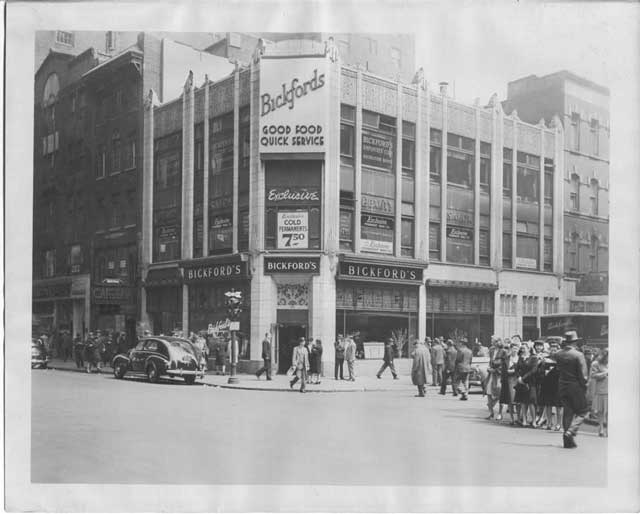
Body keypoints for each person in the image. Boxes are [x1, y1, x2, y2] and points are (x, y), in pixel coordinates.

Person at [554, 330, 589, 448]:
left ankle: (567, 440)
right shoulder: (578, 355)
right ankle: (570, 432)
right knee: (583, 411)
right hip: (575, 386)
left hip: (562, 385)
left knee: (568, 412)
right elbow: (584, 376)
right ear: (575, 342)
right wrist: (585, 388)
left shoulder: (558, 354)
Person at [539, 339, 562, 431]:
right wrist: (544, 371)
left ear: (558, 350)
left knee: (558, 405)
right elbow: (540, 371)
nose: (553, 351)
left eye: (555, 349)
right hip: (547, 384)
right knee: (548, 404)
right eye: (551, 349)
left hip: (557, 385)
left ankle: (558, 424)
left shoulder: (561, 360)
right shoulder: (545, 359)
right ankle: (549, 422)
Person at [499, 340, 519, 424]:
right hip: (508, 380)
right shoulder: (506, 358)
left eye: (516, 348)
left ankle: (519, 417)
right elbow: (503, 370)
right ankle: (512, 418)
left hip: (518, 380)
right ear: (510, 349)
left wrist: (515, 371)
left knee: (518, 401)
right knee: (510, 400)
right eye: (513, 348)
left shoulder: (520, 358)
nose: (515, 350)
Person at [590, 349, 608, 437]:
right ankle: (601, 428)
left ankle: (609, 429)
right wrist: (604, 373)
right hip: (601, 390)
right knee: (600, 410)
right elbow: (593, 375)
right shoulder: (596, 364)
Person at [485, 339, 504, 420]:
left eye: (495, 341)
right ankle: (491, 412)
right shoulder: (491, 350)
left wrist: (496, 370)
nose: (493, 343)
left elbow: (504, 364)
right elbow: (490, 362)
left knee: (499, 393)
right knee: (488, 391)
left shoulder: (503, 351)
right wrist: (489, 368)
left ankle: (500, 413)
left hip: (499, 376)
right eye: (493, 341)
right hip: (491, 375)